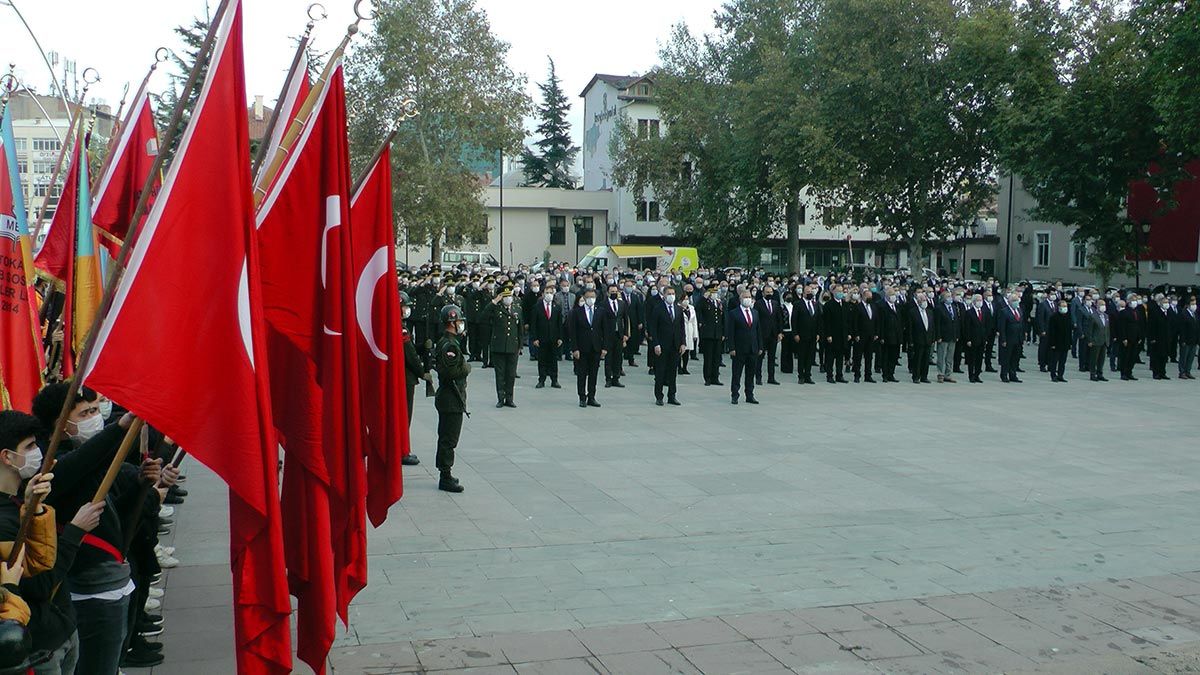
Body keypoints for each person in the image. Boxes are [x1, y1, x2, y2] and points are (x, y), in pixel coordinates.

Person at [433, 305, 471, 493]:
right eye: (459, 322)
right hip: (451, 398)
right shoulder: (450, 345)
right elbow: (451, 372)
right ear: (452, 323)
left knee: (446, 437)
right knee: (449, 439)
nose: (461, 324)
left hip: (450, 398)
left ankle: (445, 472)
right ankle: (445, 476)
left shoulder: (449, 342)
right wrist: (467, 368)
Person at [482, 285, 523, 408]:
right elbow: (484, 316)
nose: (508, 299)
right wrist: (494, 302)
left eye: (510, 296)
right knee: (500, 374)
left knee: (510, 374)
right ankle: (501, 398)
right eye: (505, 296)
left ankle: (509, 398)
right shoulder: (496, 308)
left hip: (512, 346)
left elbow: (520, 328)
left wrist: (520, 346)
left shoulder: (517, 309)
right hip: (499, 346)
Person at [400, 292, 427, 466]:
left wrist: (422, 347)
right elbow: (410, 356)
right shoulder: (401, 328)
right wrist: (422, 372)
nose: (408, 309)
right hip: (406, 377)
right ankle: (402, 451)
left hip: (400, 376)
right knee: (405, 416)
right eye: (405, 306)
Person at [646, 286, 685, 406]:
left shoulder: (678, 309)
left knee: (673, 372)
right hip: (662, 345)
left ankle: (672, 395)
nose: (671, 296)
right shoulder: (658, 309)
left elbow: (681, 328)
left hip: (675, 345)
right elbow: (653, 328)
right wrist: (656, 344)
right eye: (669, 293)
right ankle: (659, 396)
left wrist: (683, 343)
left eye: (673, 293)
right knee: (660, 372)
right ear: (664, 295)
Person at [566, 288, 606, 407]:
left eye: (592, 297)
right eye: (588, 297)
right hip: (582, 348)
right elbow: (573, 332)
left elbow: (605, 330)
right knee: (582, 374)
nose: (591, 299)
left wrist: (604, 348)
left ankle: (592, 396)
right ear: (583, 297)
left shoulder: (601, 311)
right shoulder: (577, 312)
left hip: (596, 347)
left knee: (593, 374)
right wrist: (574, 348)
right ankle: (582, 397)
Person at [726, 290, 762, 404]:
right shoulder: (734, 313)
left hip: (753, 348)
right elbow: (730, 332)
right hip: (739, 348)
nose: (748, 299)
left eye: (749, 297)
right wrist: (731, 347)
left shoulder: (755, 312)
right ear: (740, 299)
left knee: (750, 373)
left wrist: (760, 346)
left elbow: (758, 331)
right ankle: (735, 394)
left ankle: (750, 395)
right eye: (745, 297)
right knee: (737, 373)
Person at [529, 285, 564, 389]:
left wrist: (560, 338)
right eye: (547, 293)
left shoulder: (556, 307)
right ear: (543, 294)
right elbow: (533, 324)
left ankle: (554, 380)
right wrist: (534, 338)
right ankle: (541, 380)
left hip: (553, 338)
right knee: (542, 360)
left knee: (554, 360)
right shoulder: (537, 307)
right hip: (541, 338)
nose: (549, 295)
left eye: (551, 293)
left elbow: (559, 324)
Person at [598, 284, 629, 388]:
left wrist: (625, 334)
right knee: (608, 358)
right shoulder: (603, 304)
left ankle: (616, 378)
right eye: (612, 292)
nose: (614, 294)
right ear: (607, 293)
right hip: (607, 335)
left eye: (616, 292)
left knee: (618, 357)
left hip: (618, 335)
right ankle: (608, 379)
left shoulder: (622, 304)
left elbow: (625, 319)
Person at [697, 282, 725, 386]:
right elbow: (699, 308)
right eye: (713, 292)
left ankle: (715, 377)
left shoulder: (719, 303)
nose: (715, 294)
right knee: (708, 357)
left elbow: (723, 319)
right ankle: (707, 378)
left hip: (717, 334)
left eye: (716, 292)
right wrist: (704, 298)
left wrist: (723, 333)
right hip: (708, 334)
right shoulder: (705, 303)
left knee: (717, 357)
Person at [906, 293, 936, 384]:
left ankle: (924, 376)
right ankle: (916, 376)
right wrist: (910, 340)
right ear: (918, 302)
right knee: (918, 358)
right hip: (918, 339)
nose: (924, 302)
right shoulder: (912, 312)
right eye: (922, 300)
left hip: (928, 339)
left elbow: (932, 326)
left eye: (925, 300)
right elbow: (910, 328)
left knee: (926, 359)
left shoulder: (930, 312)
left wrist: (933, 338)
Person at [754, 286, 781, 385]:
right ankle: (758, 377)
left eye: (770, 292)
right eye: (767, 292)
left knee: (772, 357)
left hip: (773, 334)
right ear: (763, 293)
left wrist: (780, 332)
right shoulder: (758, 304)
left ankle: (771, 377)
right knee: (760, 357)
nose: (769, 294)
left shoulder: (775, 303)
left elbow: (779, 319)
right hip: (762, 334)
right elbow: (756, 319)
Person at [794, 286, 821, 385]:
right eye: (807, 292)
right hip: (802, 334)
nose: (809, 293)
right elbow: (794, 320)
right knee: (802, 356)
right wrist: (795, 333)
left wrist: (818, 333)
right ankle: (801, 376)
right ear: (803, 293)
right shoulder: (798, 304)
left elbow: (818, 319)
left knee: (810, 356)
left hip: (813, 334)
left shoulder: (815, 304)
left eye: (811, 292)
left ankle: (808, 375)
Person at [822, 286, 849, 383]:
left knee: (840, 357)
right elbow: (826, 322)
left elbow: (847, 321)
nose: (840, 293)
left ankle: (839, 375)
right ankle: (829, 375)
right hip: (833, 335)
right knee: (830, 357)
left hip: (842, 335)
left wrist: (848, 333)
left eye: (842, 291)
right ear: (833, 292)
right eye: (838, 291)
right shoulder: (829, 305)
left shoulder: (845, 304)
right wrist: (828, 335)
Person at [933, 290, 960, 383]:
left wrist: (956, 335)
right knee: (941, 356)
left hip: (952, 335)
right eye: (948, 296)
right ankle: (940, 373)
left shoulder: (953, 307)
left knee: (949, 357)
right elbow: (937, 323)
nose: (950, 298)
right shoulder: (939, 308)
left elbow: (956, 322)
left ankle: (948, 374)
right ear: (943, 298)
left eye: (950, 296)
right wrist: (938, 336)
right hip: (943, 336)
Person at [851, 289, 878, 383]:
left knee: (869, 356)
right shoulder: (858, 307)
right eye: (868, 296)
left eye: (871, 297)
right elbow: (854, 322)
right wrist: (856, 334)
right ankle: (857, 375)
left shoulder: (873, 307)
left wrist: (876, 333)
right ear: (863, 296)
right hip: (860, 336)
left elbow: (875, 321)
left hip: (871, 336)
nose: (870, 298)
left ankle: (868, 375)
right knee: (858, 356)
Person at [878, 288, 904, 383]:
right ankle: (885, 374)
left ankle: (891, 373)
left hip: (896, 336)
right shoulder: (883, 308)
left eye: (894, 294)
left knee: (894, 356)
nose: (894, 296)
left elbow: (900, 322)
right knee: (886, 356)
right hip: (887, 336)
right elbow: (881, 324)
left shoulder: (897, 307)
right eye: (892, 294)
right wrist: (882, 337)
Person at [997, 293, 1024, 383]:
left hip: (1018, 338)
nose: (1016, 302)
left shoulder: (1019, 310)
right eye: (1014, 301)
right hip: (1008, 338)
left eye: (1017, 300)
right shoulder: (1004, 311)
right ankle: (1004, 375)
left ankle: (1013, 374)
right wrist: (1003, 339)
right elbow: (1002, 327)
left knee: (1015, 358)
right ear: (1009, 302)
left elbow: (1021, 324)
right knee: (1006, 358)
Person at [1116, 296, 1145, 381]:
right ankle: (1123, 373)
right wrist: (1124, 338)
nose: (1135, 302)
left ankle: (1129, 372)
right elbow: (1122, 327)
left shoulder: (1137, 312)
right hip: (1127, 338)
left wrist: (1140, 337)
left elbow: (1139, 325)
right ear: (1128, 302)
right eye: (1133, 300)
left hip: (1135, 338)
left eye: (1135, 301)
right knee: (1125, 356)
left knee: (1133, 356)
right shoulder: (1124, 312)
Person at [962, 294, 987, 383]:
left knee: (979, 359)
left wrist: (985, 338)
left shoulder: (983, 311)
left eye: (981, 300)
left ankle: (977, 375)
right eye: (978, 300)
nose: (980, 302)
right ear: (974, 301)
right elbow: (967, 327)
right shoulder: (969, 312)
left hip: (981, 339)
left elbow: (985, 326)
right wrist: (968, 339)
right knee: (972, 359)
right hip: (972, 339)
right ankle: (971, 375)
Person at [1046, 299, 1072, 382]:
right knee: (1054, 361)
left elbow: (1069, 331)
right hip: (1056, 343)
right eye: (1063, 306)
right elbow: (1051, 331)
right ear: (1059, 307)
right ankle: (1053, 375)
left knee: (1062, 361)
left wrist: (1070, 342)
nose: (1064, 308)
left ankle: (1061, 375)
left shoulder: (1068, 316)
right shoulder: (1054, 317)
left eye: (1065, 306)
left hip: (1065, 343)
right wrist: (1052, 343)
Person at [1147, 295, 1171, 380]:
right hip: (1157, 338)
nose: (1166, 304)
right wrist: (1152, 338)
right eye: (1164, 302)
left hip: (1165, 338)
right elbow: (1151, 326)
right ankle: (1156, 373)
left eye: (1167, 303)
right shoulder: (1155, 312)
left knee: (1164, 356)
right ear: (1160, 303)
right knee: (1157, 356)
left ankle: (1162, 372)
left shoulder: (1168, 312)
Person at [1087, 298, 1111, 381]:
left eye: (1104, 305)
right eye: (1101, 305)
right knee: (1094, 359)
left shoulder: (1106, 316)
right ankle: (1092, 374)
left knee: (1101, 359)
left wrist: (1108, 339)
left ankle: (1100, 373)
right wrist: (1090, 340)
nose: (1103, 307)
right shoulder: (1092, 316)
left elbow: (1107, 329)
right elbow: (1089, 330)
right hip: (1095, 341)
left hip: (1104, 341)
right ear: (1097, 306)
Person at [1177, 297, 1198, 379]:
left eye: (1195, 304)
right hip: (1186, 340)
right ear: (1188, 305)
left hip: (1194, 340)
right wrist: (1183, 340)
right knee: (1184, 357)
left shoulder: (1195, 314)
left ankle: (1188, 371)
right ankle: (1182, 372)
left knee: (1191, 357)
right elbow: (1182, 329)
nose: (1194, 306)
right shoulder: (1184, 314)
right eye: (1192, 304)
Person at [679, 294, 699, 376]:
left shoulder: (691, 308)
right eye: (684, 299)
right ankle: (679, 367)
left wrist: (695, 334)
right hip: (681, 330)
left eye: (687, 299)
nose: (686, 301)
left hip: (690, 330)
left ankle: (685, 367)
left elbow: (694, 322)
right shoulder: (678, 308)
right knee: (680, 351)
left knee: (687, 351)